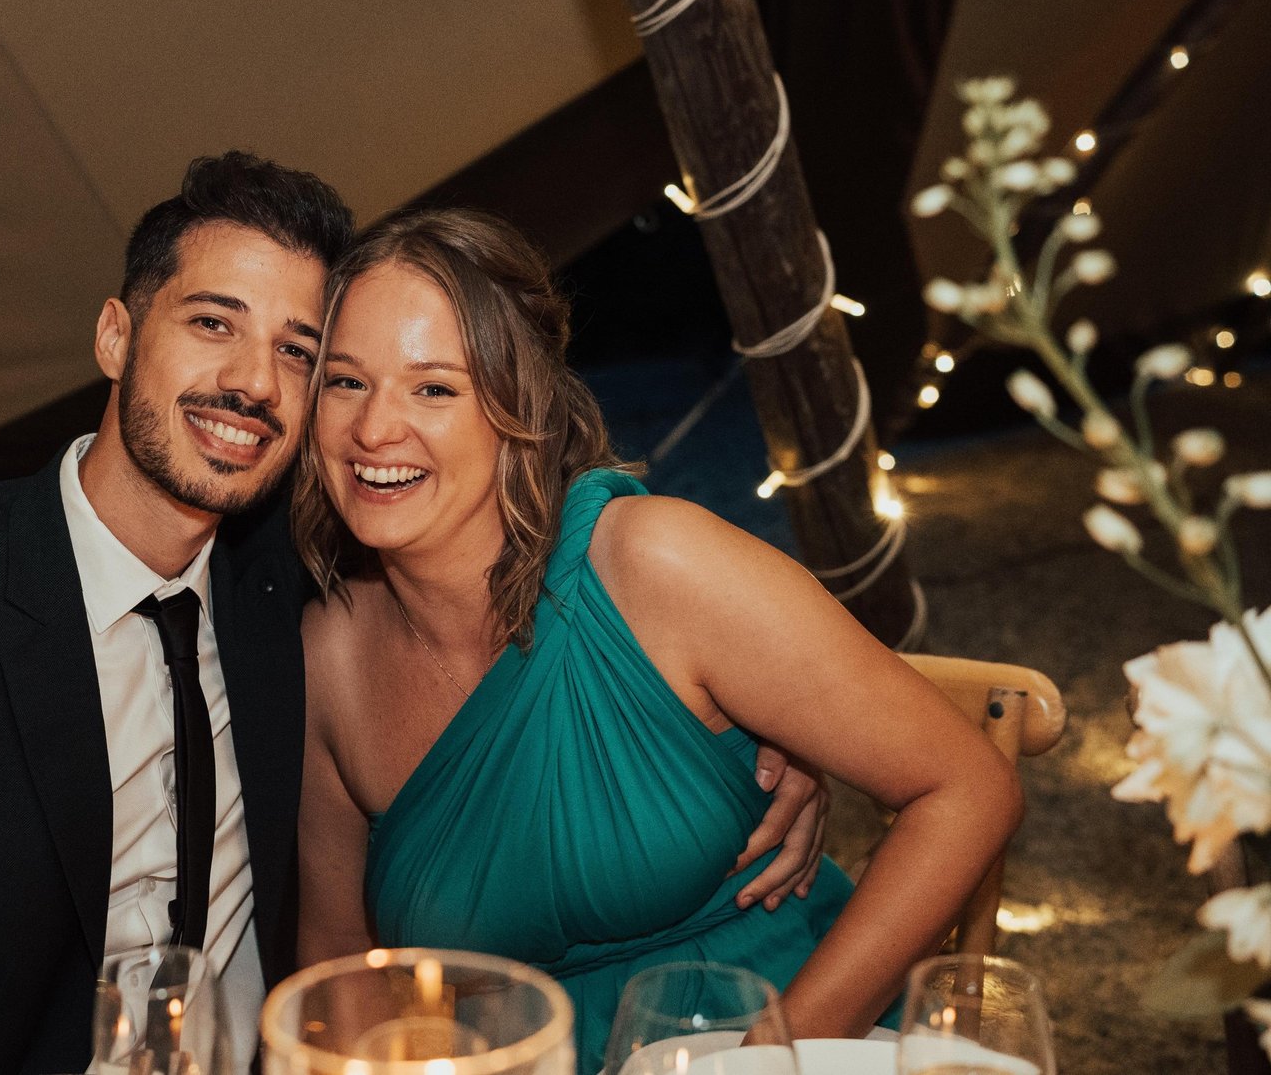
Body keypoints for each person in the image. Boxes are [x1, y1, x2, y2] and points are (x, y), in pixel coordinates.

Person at [0, 155, 828, 1075]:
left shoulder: (310, 571)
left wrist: (752, 723)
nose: (250, 383)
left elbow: (530, 562)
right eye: (214, 322)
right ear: (114, 333)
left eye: (297, 352)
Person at [293, 209, 1022, 1072]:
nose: (376, 430)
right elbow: (339, 971)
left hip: (796, 1036)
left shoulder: (653, 565)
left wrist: (765, 1057)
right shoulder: (329, 660)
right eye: (345, 382)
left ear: (519, 407)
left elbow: (968, 785)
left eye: (435, 387)